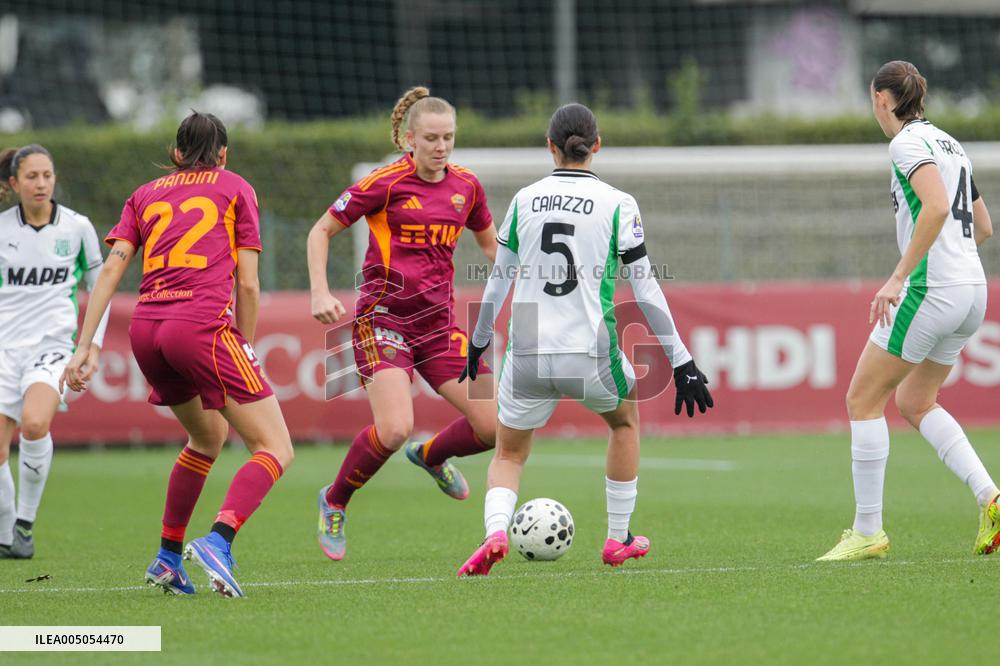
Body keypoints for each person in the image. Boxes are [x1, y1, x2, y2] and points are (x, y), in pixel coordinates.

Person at [456, 103, 713, 576]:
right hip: (588, 350)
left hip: (528, 347)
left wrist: (476, 344)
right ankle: (618, 539)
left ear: (549, 147)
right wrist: (682, 362)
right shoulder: (619, 203)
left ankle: (496, 531)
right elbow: (645, 288)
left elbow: (498, 280)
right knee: (624, 424)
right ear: (597, 145)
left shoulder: (525, 199)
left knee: (509, 453)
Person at [62, 112, 294, 596]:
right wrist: (243, 343)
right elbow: (247, 283)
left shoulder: (144, 194)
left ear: (175, 154)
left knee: (208, 438)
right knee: (275, 447)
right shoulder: (235, 187)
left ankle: (168, 558)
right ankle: (220, 540)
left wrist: (85, 346)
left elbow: (109, 271)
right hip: (200, 327)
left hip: (147, 330)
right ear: (224, 154)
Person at [307, 86, 498, 561]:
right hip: (383, 320)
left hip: (439, 326)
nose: (441, 147)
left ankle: (431, 456)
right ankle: (334, 500)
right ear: (409, 139)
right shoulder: (384, 183)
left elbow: (493, 247)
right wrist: (319, 291)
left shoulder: (467, 187)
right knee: (394, 428)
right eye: (432, 138)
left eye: (449, 138)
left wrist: (527, 281)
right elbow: (321, 230)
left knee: (497, 427)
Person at [817, 61, 997, 562]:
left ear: (881, 99)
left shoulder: (905, 144)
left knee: (862, 398)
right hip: (972, 288)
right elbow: (982, 225)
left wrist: (900, 276)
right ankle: (992, 498)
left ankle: (867, 531)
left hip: (932, 290)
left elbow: (937, 207)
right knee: (917, 401)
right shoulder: (950, 143)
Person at [0, 144, 109, 560]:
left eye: (47, 175)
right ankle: (7, 529)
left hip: (51, 349)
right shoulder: (2, 229)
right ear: (14, 183)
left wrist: (92, 347)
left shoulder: (77, 228)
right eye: (31, 176)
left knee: (33, 423)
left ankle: (24, 525)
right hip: (3, 349)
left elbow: (101, 289)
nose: (41, 183)